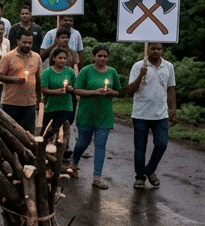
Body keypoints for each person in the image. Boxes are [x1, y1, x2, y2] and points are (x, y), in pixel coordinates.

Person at [122, 43, 177, 189]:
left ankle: (150, 170)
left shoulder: (168, 66)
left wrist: (173, 110)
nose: (156, 51)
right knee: (140, 147)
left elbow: (171, 89)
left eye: (159, 49)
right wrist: (141, 74)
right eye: (153, 48)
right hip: (141, 113)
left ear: (162, 50)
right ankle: (140, 177)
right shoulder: (138, 66)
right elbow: (130, 90)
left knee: (161, 144)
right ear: (147, 50)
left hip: (161, 114)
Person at [67, 45, 120, 189]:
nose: (102, 58)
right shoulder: (86, 71)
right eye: (100, 56)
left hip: (104, 115)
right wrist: (94, 92)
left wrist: (110, 91)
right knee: (83, 143)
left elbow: (118, 92)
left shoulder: (112, 72)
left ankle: (97, 177)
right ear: (94, 56)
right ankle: (74, 163)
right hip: (87, 113)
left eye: (105, 56)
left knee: (100, 145)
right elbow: (77, 90)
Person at [0, 31, 43, 134]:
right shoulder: (8, 57)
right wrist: (14, 80)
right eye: (24, 42)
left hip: (29, 103)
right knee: (9, 133)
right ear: (18, 41)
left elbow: (38, 79)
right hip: (10, 102)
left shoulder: (36, 57)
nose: (27, 45)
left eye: (30, 43)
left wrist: (39, 99)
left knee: (28, 134)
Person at [40, 47, 76, 144]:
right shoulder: (47, 72)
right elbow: (44, 90)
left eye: (65, 58)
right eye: (60, 58)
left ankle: (61, 152)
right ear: (53, 58)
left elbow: (75, 87)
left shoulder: (70, 71)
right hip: (51, 106)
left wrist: (71, 89)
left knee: (60, 130)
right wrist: (57, 91)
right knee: (46, 130)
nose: (63, 60)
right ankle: (41, 150)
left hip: (65, 106)